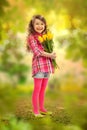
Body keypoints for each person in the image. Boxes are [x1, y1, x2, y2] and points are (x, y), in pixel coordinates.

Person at [27, 14, 56, 117]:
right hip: (39, 66)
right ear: (32, 25)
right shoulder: (31, 37)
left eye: (42, 24)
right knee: (37, 88)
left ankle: (42, 108)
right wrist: (50, 55)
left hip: (46, 66)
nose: (40, 26)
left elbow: (48, 49)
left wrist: (52, 56)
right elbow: (37, 51)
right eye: (37, 24)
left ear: (45, 25)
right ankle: (36, 111)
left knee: (43, 88)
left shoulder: (45, 36)